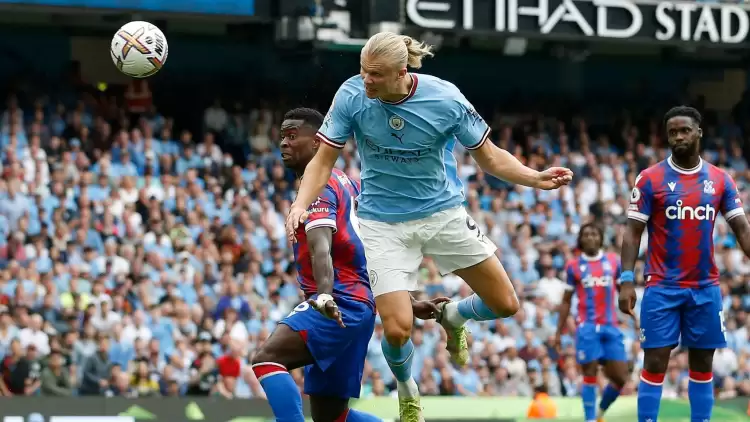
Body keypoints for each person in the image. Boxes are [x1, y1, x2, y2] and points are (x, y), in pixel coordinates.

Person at [284, 31, 573, 420]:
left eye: (376, 74)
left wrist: (534, 177)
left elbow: (488, 156)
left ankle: (454, 316)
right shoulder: (352, 95)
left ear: (402, 72)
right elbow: (323, 160)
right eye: (363, 71)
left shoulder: (445, 99)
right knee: (398, 329)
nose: (366, 80)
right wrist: (300, 204)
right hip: (382, 223)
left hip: (442, 215)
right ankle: (408, 392)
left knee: (505, 303)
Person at [252, 108, 448, 422]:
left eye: (292, 136)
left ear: (318, 142)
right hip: (358, 307)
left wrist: (325, 295)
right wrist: (407, 302)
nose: (283, 144)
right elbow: (365, 251)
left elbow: (321, 248)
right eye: (282, 137)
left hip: (338, 304)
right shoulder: (347, 183)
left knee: (267, 359)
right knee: (332, 418)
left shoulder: (318, 187)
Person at [619, 105, 750, 422]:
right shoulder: (650, 179)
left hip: (705, 287)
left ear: (699, 133)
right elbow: (633, 232)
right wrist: (625, 279)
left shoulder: (720, 181)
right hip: (661, 287)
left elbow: (742, 229)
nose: (678, 137)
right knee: (655, 362)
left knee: (703, 363)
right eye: (672, 132)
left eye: (684, 130)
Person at [554, 224, 630, 422]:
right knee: (589, 373)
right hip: (587, 327)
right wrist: (558, 333)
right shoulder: (573, 266)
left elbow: (624, 293)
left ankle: (600, 413)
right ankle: (589, 420)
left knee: (621, 378)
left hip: (611, 326)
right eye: (586, 234)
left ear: (601, 238)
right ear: (580, 239)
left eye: (594, 233)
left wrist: (633, 315)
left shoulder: (614, 262)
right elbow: (565, 301)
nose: (590, 237)